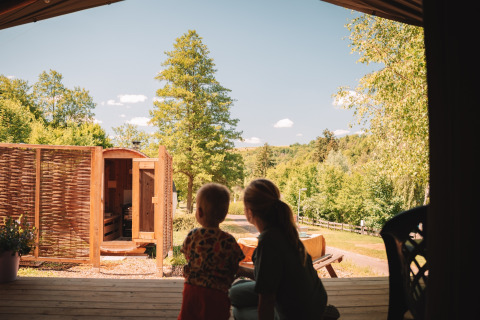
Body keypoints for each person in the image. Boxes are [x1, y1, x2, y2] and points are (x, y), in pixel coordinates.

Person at [229, 178, 339, 320]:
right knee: (236, 291)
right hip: (315, 302)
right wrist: (242, 270)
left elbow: (267, 299)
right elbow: (274, 275)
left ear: (248, 212)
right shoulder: (286, 231)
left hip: (295, 313)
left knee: (238, 311)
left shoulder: (267, 243)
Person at [178, 183, 245, 320]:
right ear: (224, 214)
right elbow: (234, 265)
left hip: (192, 290)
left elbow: (187, 256)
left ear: (200, 212)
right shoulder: (228, 240)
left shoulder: (193, 235)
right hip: (218, 292)